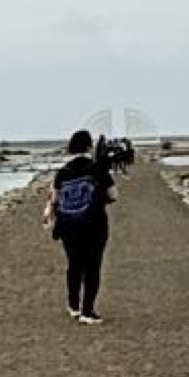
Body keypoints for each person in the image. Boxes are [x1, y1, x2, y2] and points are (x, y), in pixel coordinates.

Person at [46, 126, 113, 319]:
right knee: (93, 266)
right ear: (89, 146)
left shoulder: (63, 172)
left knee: (74, 264)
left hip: (68, 225)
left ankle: (73, 306)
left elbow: (55, 199)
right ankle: (88, 311)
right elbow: (113, 195)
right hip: (94, 224)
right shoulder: (97, 169)